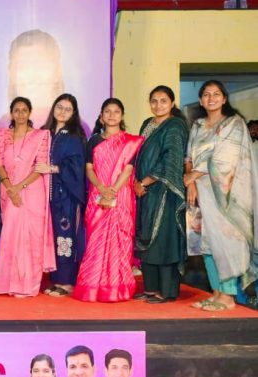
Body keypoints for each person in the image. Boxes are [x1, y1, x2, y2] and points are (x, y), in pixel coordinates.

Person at [186, 80, 258, 311]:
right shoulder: (197, 125)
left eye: (216, 94)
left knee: (225, 242)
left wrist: (195, 174)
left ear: (224, 98)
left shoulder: (234, 124)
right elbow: (189, 157)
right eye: (206, 95)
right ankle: (216, 293)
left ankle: (227, 297)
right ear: (200, 100)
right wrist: (191, 182)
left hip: (226, 195)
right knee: (206, 244)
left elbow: (226, 159)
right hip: (200, 194)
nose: (211, 98)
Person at [72, 99, 144, 303]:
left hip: (120, 196)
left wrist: (113, 190)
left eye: (116, 111)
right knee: (95, 241)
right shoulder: (94, 140)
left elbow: (128, 169)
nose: (112, 115)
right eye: (107, 111)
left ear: (122, 116)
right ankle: (92, 286)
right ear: (101, 116)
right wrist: (101, 187)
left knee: (120, 241)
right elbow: (89, 168)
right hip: (98, 195)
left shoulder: (130, 142)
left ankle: (117, 287)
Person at [0, 97, 55, 297]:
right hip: (9, 190)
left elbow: (41, 166)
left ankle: (29, 284)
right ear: (11, 113)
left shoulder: (40, 136)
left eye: (24, 110)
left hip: (32, 191)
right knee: (11, 237)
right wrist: (9, 187)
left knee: (31, 238)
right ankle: (10, 283)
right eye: (16, 110)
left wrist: (19, 187)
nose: (20, 114)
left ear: (29, 113)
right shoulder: (3, 135)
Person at [133, 86, 188, 304]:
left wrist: (145, 181)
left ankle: (166, 292)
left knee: (164, 239)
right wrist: (137, 183)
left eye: (163, 101)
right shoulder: (148, 124)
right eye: (154, 101)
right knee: (147, 236)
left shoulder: (175, 126)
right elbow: (139, 155)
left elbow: (170, 160)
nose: (158, 105)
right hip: (145, 192)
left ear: (172, 103)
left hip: (165, 190)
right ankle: (151, 288)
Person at [36, 94, 87, 297]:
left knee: (66, 237)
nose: (62, 111)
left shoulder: (75, 136)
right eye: (59, 107)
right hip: (46, 196)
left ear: (73, 113)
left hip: (67, 195)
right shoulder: (44, 132)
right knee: (52, 237)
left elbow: (78, 166)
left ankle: (67, 282)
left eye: (68, 109)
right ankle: (56, 279)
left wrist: (53, 168)